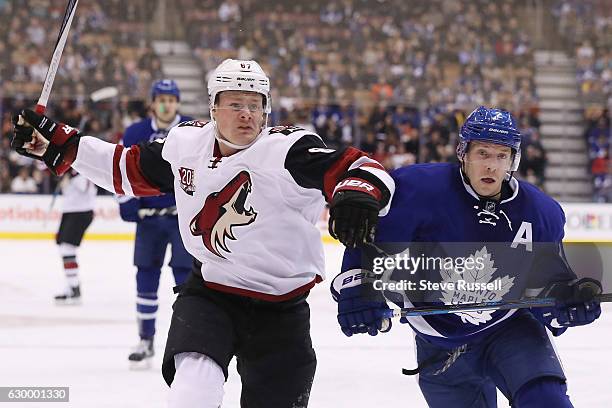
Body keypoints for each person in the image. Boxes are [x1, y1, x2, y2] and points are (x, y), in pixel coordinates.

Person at [11, 59, 395, 408]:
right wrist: (62, 144)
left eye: (255, 104)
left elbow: (361, 167)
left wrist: (358, 194)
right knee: (192, 392)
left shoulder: (288, 150)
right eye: (235, 103)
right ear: (213, 108)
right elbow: (126, 169)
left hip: (282, 308)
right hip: (210, 294)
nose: (247, 114)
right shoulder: (186, 143)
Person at [331, 106, 602, 408]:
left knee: (546, 401)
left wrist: (567, 304)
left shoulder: (540, 212)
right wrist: (359, 288)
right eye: (483, 153)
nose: (492, 166)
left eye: (502, 156)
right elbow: (368, 239)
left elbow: (548, 286)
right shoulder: (419, 190)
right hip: (439, 346)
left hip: (510, 331)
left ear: (514, 160)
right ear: (463, 153)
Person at [117, 79, 194, 368]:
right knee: (146, 276)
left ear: (178, 103)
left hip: (183, 221)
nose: (166, 104)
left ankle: (186, 342)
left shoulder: (192, 131)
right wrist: (129, 205)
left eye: (171, 99)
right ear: (153, 102)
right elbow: (123, 170)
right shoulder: (135, 132)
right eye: (161, 99)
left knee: (186, 281)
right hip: (149, 222)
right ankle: (146, 339)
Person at [54, 170, 97, 304]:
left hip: (80, 211)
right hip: (70, 211)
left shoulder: (84, 168)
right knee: (64, 248)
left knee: (67, 249)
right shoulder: (71, 169)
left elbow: (85, 186)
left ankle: (74, 287)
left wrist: (72, 173)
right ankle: (72, 286)